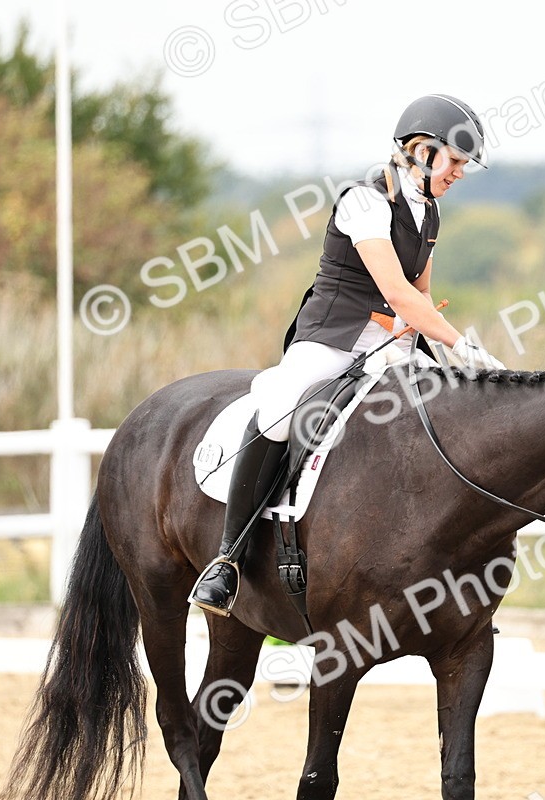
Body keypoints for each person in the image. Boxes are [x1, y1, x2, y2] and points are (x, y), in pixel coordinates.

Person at [190, 94, 505, 616]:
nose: (461, 173)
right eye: (455, 161)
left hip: (392, 348)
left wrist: (434, 349)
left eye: (464, 164)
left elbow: (418, 296)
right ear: (422, 152)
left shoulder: (429, 211)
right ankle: (228, 559)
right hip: (332, 340)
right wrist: (464, 346)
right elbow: (397, 293)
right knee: (281, 408)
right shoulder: (364, 200)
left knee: (453, 419)